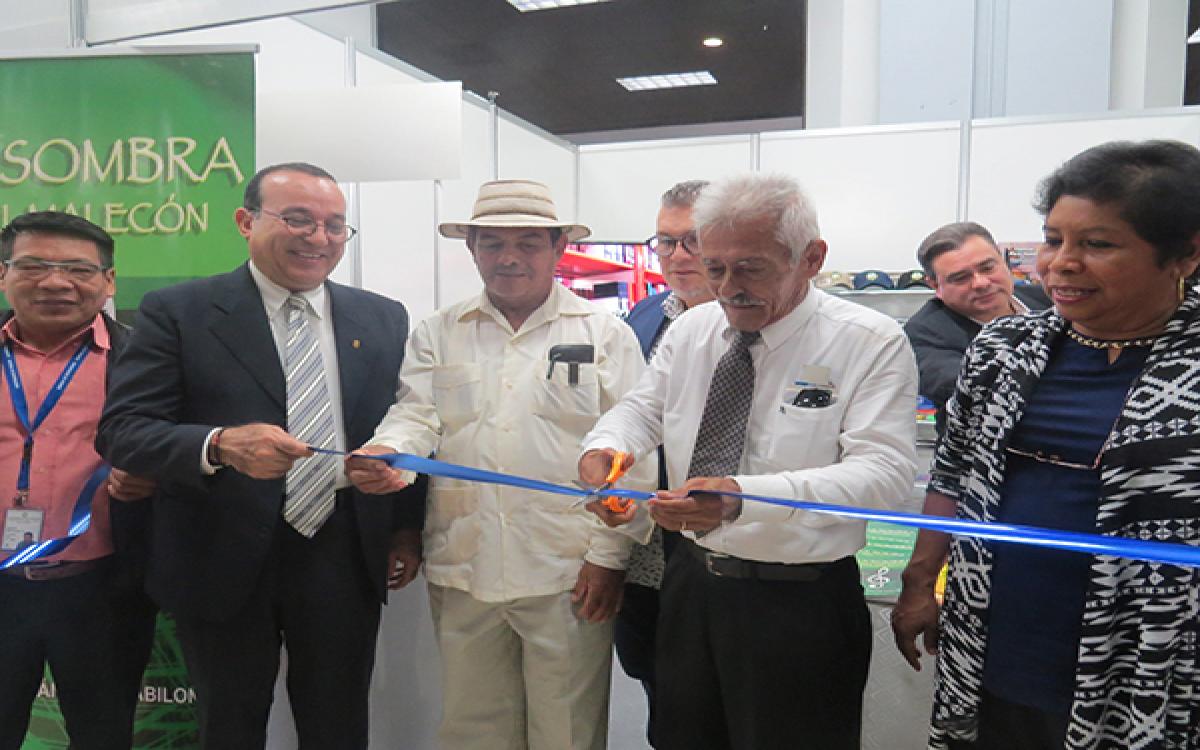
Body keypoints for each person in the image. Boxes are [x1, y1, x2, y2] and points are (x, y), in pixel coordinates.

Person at [579, 173, 918, 749]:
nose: (729, 287)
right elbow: (641, 410)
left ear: (811, 258)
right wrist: (605, 448)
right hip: (691, 588)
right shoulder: (692, 330)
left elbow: (884, 474)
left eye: (751, 267)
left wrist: (744, 498)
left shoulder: (868, 340)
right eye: (715, 268)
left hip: (799, 601)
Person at [95, 163, 424, 749]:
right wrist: (218, 445)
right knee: (229, 724)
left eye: (335, 226)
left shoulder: (382, 316)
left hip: (342, 549)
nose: (317, 238)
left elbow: (408, 422)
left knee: (340, 722)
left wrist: (404, 527)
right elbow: (124, 431)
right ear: (246, 221)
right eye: (297, 219)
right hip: (216, 552)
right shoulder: (180, 310)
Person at [891, 140, 1200, 750]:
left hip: (1151, 656)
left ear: (1186, 252)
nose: (1060, 264)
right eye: (1053, 239)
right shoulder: (1004, 349)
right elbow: (952, 475)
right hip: (996, 634)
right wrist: (919, 582)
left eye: (1098, 244)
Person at [345, 178, 652, 750]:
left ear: (558, 248)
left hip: (567, 571)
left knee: (568, 734)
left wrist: (609, 558)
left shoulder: (604, 334)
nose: (509, 257)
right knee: (472, 732)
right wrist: (389, 454)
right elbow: (416, 416)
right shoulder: (440, 331)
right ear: (471, 249)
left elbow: (637, 451)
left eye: (528, 242)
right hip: (465, 565)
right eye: (492, 243)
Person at [0, 211, 156, 750]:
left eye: (77, 269)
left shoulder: (147, 360)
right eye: (34, 265)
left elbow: (182, 450)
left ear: (109, 282)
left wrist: (154, 479)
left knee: (103, 735)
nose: (55, 281)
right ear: (3, 275)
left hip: (103, 590)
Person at [617, 178, 712, 744]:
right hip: (648, 549)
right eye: (665, 242)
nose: (678, 256)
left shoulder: (764, 320)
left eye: (692, 240)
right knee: (660, 689)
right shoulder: (644, 317)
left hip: (733, 549)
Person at [904, 221, 1050, 431]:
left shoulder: (1050, 301)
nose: (981, 283)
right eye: (960, 278)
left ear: (1004, 262)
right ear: (935, 285)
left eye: (988, 268)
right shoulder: (923, 335)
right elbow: (981, 389)